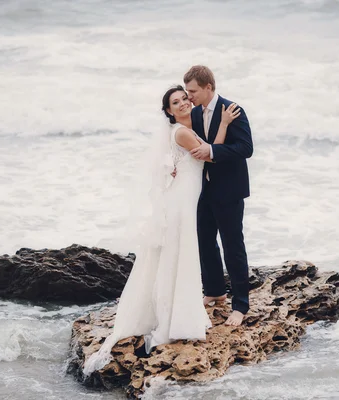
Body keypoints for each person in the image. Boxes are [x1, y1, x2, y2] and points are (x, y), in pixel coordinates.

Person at [82, 85, 241, 375]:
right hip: (181, 201)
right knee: (180, 255)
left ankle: (180, 308)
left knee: (181, 254)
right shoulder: (181, 132)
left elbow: (202, 151)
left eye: (184, 99)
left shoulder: (184, 129)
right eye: (175, 103)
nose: (181, 104)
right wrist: (226, 124)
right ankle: (173, 319)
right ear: (168, 111)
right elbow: (208, 155)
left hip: (186, 196)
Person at [184, 65, 253, 326]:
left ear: (208, 87)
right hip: (204, 190)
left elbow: (246, 148)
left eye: (193, 91)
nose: (189, 96)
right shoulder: (194, 113)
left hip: (229, 190)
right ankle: (214, 291)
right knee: (204, 242)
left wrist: (212, 153)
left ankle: (241, 305)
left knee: (233, 246)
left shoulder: (232, 110)